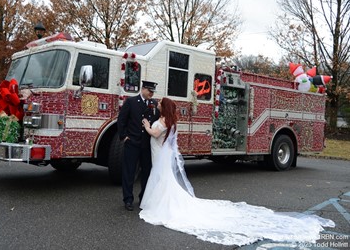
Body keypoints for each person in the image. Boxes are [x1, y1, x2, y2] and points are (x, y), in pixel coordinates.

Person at [140, 97, 335, 246]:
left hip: (160, 154)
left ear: (163, 107)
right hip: (160, 153)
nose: (157, 104)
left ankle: (160, 205)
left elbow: (156, 133)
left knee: (163, 180)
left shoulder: (163, 121)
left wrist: (148, 127)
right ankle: (158, 202)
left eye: (159, 103)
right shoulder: (167, 119)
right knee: (164, 180)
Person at [117, 80, 160, 211]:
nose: (151, 94)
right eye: (149, 91)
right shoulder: (131, 102)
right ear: (143, 89)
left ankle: (143, 198)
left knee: (146, 172)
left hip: (147, 144)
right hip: (133, 142)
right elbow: (121, 119)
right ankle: (128, 199)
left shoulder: (154, 103)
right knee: (129, 172)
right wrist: (124, 136)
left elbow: (157, 121)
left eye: (153, 92)